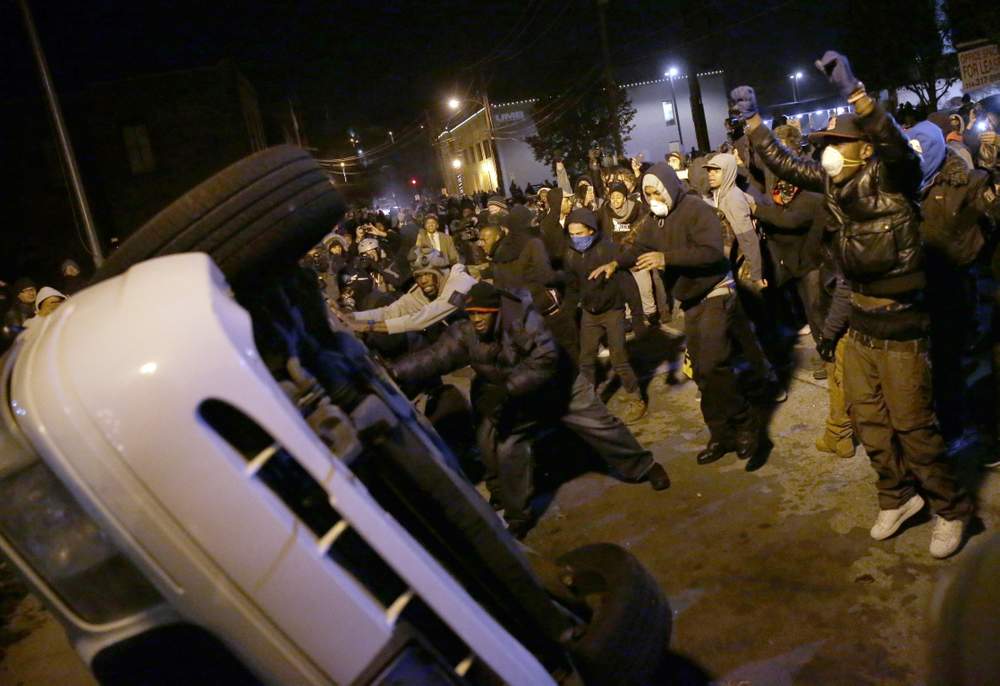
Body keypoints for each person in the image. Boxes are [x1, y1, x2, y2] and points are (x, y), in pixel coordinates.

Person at [733, 49, 974, 558]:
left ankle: (950, 509)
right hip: (860, 324)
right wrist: (754, 122)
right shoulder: (833, 184)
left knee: (913, 425)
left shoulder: (894, 178)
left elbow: (894, 144)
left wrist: (857, 95)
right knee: (869, 422)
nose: (827, 151)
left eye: (837, 143)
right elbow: (783, 161)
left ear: (863, 149)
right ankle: (897, 497)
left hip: (903, 328)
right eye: (825, 144)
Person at [391, 282, 670, 538]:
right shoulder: (467, 331)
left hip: (560, 386)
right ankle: (518, 515)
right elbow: (436, 356)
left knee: (602, 426)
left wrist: (508, 388)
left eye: (482, 314)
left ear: (496, 311)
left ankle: (644, 467)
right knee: (507, 447)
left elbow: (545, 360)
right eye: (472, 314)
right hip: (519, 395)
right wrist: (396, 371)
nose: (476, 320)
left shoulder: (525, 321)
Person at [589, 163, 762, 468]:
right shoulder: (654, 220)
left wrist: (666, 259)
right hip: (691, 300)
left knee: (713, 364)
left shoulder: (696, 210)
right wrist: (615, 264)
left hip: (715, 293)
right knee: (701, 371)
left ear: (669, 187)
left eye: (656, 191)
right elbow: (636, 246)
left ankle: (746, 424)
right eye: (647, 193)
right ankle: (720, 434)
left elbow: (711, 252)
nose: (653, 198)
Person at [905, 120, 1000, 443]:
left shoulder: (965, 184)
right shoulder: (906, 186)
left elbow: (987, 219)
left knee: (951, 362)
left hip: (955, 287)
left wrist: (992, 171)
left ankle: (955, 425)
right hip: (917, 290)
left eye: (921, 151)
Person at [563, 208, 647, 422]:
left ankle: (636, 397)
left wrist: (637, 317)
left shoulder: (608, 250)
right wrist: (567, 313)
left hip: (613, 311)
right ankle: (589, 403)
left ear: (591, 231)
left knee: (619, 358)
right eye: (571, 234)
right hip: (590, 314)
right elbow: (572, 287)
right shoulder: (571, 254)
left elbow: (627, 284)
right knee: (586, 360)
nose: (575, 238)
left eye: (579, 233)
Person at [479, 206, 579, 361]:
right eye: (531, 221)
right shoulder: (533, 243)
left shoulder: (500, 250)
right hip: (545, 307)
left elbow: (500, 285)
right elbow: (547, 277)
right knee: (569, 347)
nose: (535, 224)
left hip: (522, 314)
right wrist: (565, 276)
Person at [348, 247, 477, 335]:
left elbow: (421, 319)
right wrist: (353, 317)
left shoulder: (460, 283)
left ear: (441, 272)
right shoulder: (423, 291)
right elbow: (390, 312)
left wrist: (368, 327)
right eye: (418, 276)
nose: (423, 280)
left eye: (427, 274)